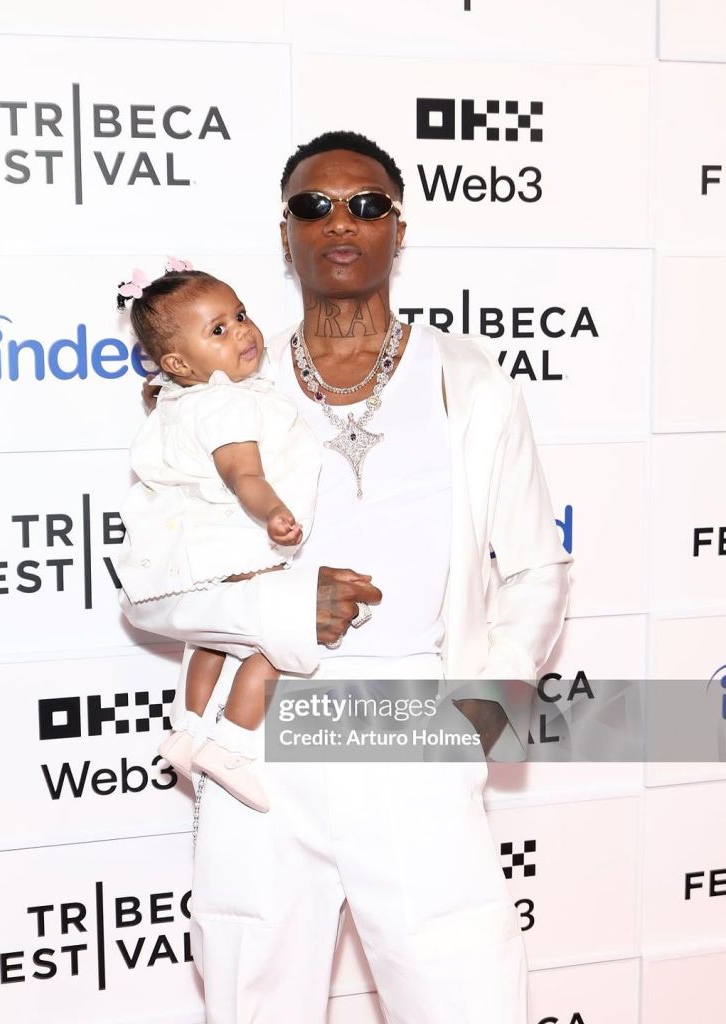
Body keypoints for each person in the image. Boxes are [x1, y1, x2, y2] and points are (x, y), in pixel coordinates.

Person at [119, 130, 572, 1023]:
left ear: (398, 230)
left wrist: (491, 693)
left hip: (411, 721)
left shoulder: (469, 380)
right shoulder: (220, 386)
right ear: (285, 232)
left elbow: (533, 564)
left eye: (366, 205)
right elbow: (153, 588)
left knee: (463, 991)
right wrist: (288, 607)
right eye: (312, 205)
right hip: (262, 736)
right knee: (255, 990)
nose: (340, 222)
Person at [116, 264, 321, 812]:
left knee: (207, 640)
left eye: (241, 315)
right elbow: (243, 476)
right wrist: (275, 513)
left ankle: (187, 730)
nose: (243, 332)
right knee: (282, 641)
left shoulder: (173, 401)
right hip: (235, 552)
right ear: (179, 363)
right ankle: (232, 743)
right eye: (219, 330)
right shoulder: (228, 401)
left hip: (189, 564)